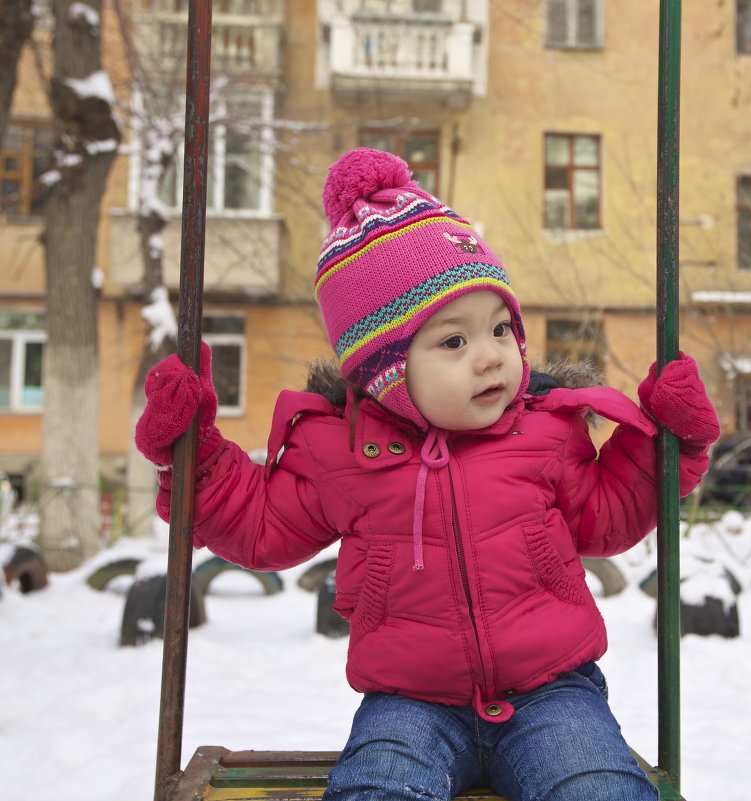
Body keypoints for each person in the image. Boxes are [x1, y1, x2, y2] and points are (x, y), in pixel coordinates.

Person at [134, 148, 720, 801]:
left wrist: (670, 440)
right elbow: (260, 525)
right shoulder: (340, 450)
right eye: (453, 341)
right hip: (407, 705)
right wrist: (200, 456)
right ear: (384, 367)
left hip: (553, 693)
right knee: (376, 789)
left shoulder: (546, 432)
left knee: (597, 787)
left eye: (500, 328)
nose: (491, 356)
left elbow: (610, 512)